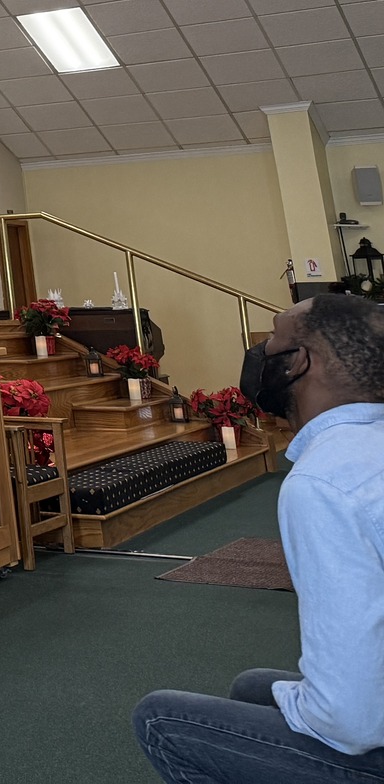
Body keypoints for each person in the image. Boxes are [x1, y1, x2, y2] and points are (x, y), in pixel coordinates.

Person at [133, 294, 384, 782]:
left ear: (300, 362)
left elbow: (352, 722)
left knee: (161, 719)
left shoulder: (325, 480)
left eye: (273, 338)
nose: (261, 351)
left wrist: (302, 703)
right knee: (254, 687)